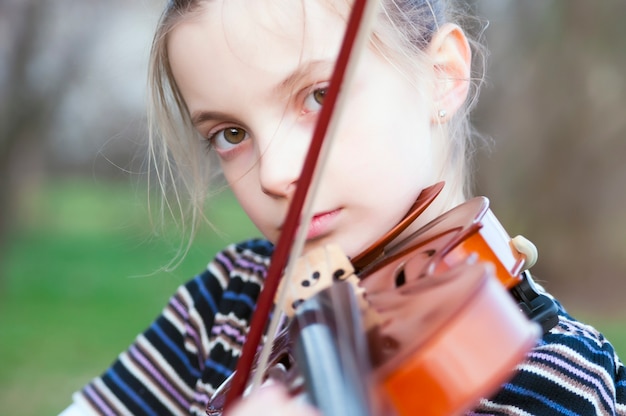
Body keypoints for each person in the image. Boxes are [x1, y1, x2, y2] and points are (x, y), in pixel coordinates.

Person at [60, 0, 626, 415]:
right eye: (231, 133)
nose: (277, 173)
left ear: (441, 76)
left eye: (319, 96)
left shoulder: (554, 376)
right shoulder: (230, 299)